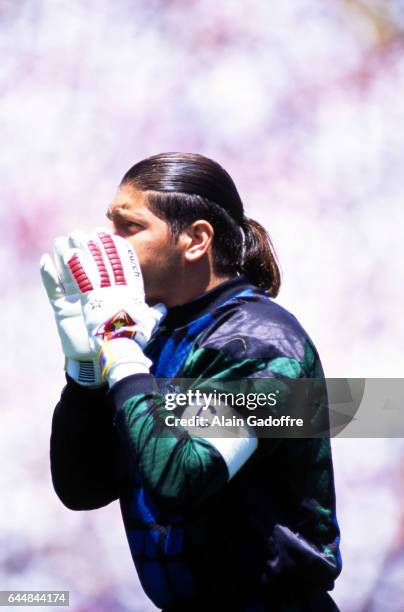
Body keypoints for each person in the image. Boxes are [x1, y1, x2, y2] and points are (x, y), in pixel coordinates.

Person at [41, 153, 342, 611]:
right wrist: (83, 369)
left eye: (129, 227)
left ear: (196, 240)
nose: (109, 245)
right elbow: (83, 487)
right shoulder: (157, 335)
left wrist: (119, 349)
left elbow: (180, 477)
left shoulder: (262, 342)